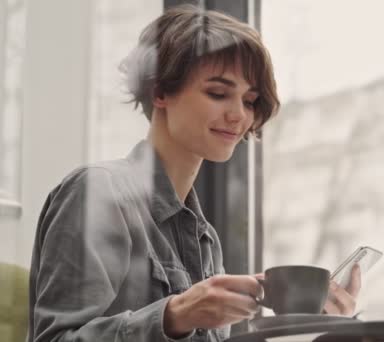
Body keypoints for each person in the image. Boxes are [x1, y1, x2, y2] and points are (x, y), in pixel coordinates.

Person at [27, 5, 360, 342]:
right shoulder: (98, 192)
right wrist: (177, 314)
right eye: (218, 93)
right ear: (159, 91)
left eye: (249, 100)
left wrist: (314, 328)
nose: (238, 115)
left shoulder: (205, 239)